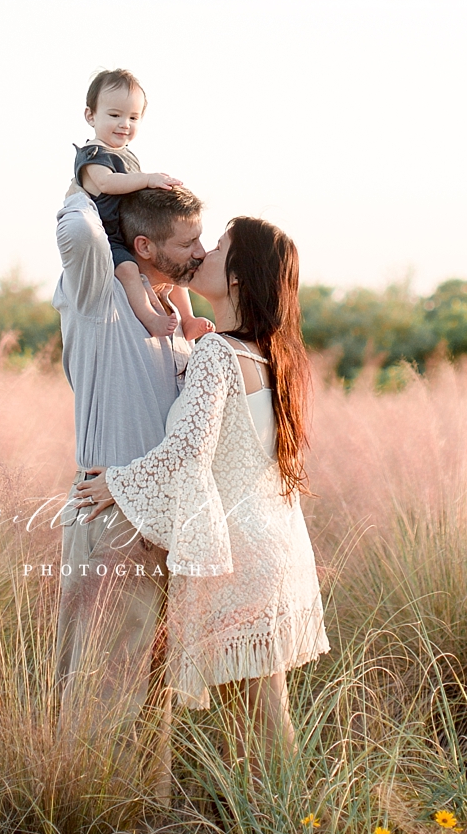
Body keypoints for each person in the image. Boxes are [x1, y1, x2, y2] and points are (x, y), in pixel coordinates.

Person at [74, 217, 329, 764]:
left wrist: (117, 484)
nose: (204, 254)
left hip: (238, 557)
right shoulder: (268, 355)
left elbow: (187, 454)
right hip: (278, 549)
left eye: (217, 247)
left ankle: (286, 832)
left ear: (237, 277)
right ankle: (281, 826)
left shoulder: (217, 356)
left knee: (258, 713)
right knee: (262, 710)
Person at [52, 173, 206, 753]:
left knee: (152, 686)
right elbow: (79, 231)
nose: (200, 251)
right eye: (188, 242)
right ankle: (90, 821)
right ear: (144, 246)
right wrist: (103, 173)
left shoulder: (171, 311)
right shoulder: (102, 297)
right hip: (109, 507)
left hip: (165, 515)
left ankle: (147, 820)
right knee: (100, 686)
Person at [73, 66, 198, 337]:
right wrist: (148, 179)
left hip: (134, 231)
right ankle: (150, 319)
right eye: (115, 115)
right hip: (111, 238)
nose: (124, 124)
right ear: (90, 115)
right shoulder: (93, 154)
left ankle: (187, 318)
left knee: (169, 263)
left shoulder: (128, 155)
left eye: (133, 117)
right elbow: (107, 183)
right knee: (129, 271)